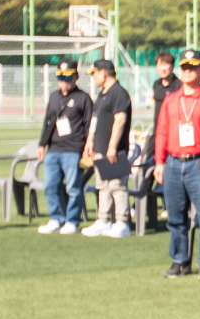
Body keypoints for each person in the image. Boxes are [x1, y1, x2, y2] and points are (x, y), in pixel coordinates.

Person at [153, 47, 200, 278]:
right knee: (175, 217)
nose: (188, 71)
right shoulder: (170, 100)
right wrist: (159, 161)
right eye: (184, 67)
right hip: (173, 163)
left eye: (193, 67)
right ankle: (179, 260)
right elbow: (162, 132)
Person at [35, 61, 94, 235]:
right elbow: (48, 122)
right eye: (60, 77)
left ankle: (72, 221)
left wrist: (87, 147)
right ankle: (56, 218)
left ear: (76, 77)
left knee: (73, 188)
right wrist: (42, 144)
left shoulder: (83, 98)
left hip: (73, 150)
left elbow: (89, 125)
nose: (64, 81)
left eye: (67, 77)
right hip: (53, 149)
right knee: (50, 186)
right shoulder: (54, 97)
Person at [82, 58, 133, 238]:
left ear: (103, 72)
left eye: (95, 73)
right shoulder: (102, 94)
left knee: (117, 186)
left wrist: (112, 146)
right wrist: (90, 141)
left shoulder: (118, 93)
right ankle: (103, 220)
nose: (94, 77)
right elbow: (95, 120)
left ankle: (122, 222)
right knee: (102, 186)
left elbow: (120, 120)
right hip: (100, 149)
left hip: (115, 150)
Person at [149, 51, 177, 115]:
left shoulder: (180, 85)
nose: (162, 69)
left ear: (173, 66)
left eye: (165, 65)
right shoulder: (156, 84)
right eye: (160, 65)